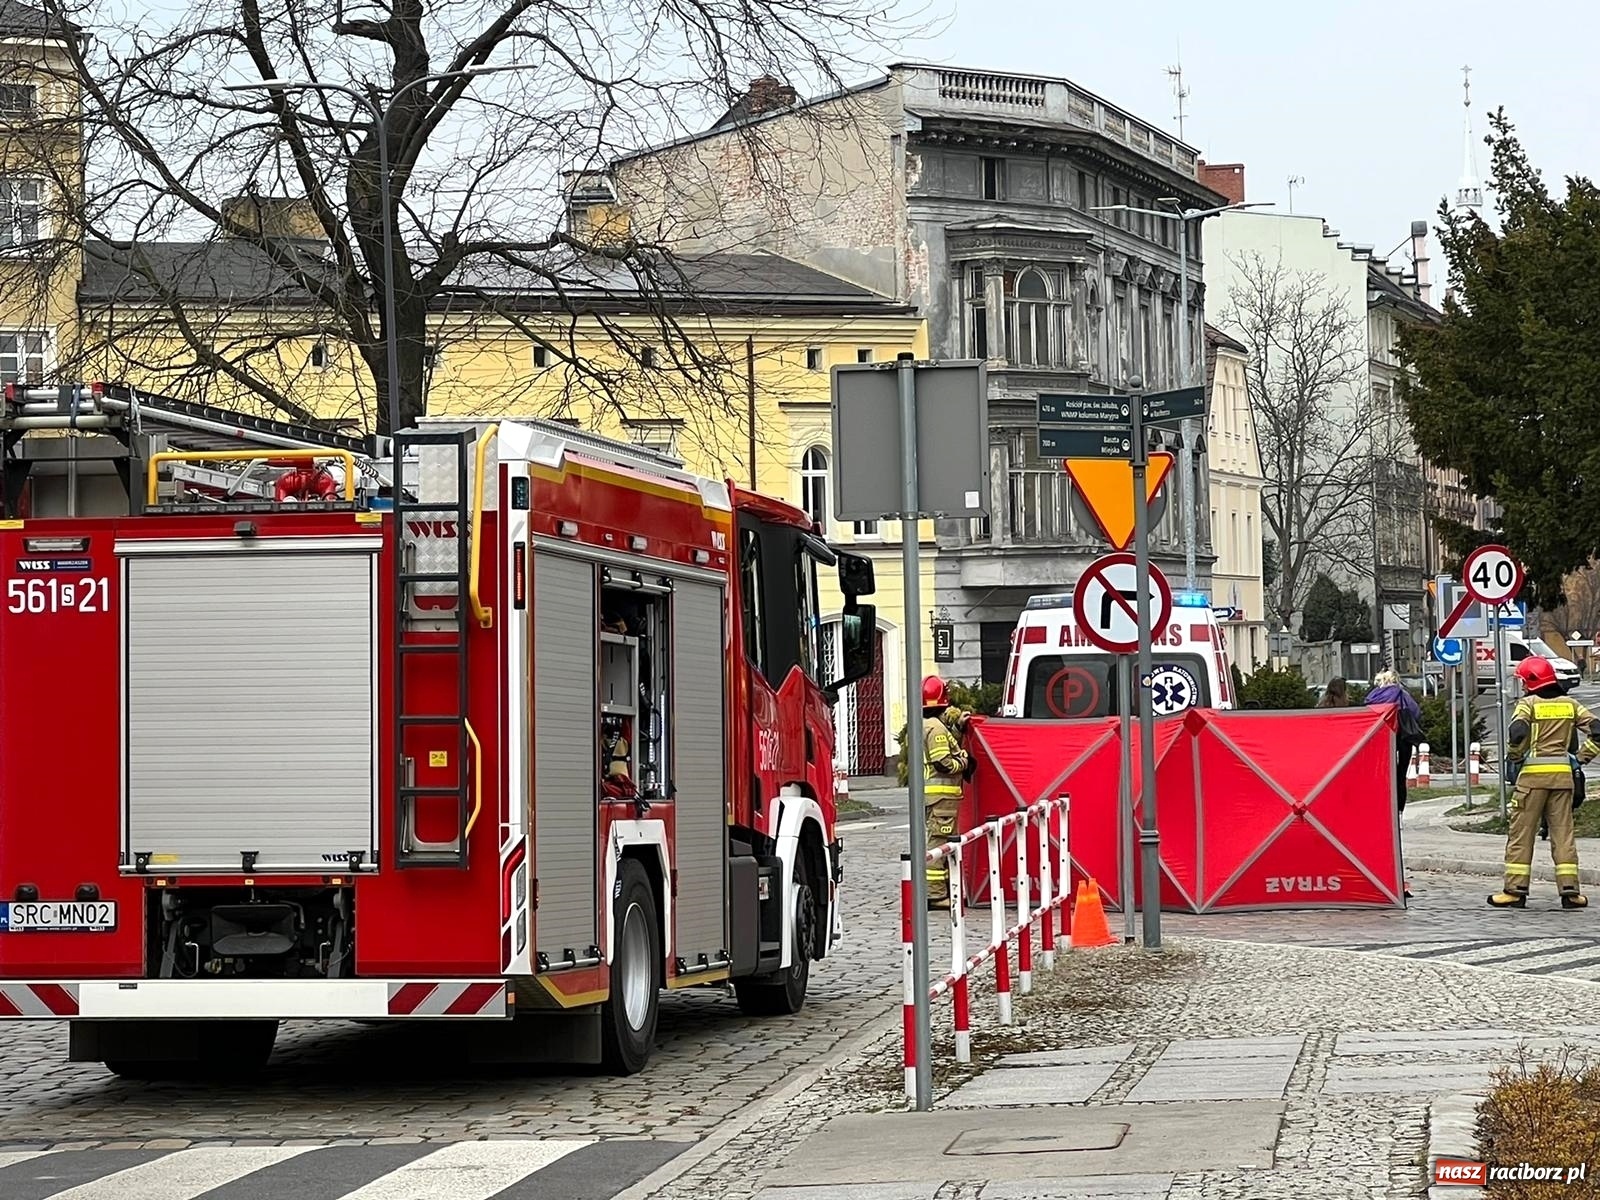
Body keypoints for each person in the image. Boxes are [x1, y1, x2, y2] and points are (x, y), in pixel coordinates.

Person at [1490, 656, 1599, 909]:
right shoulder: (1571, 705)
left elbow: (1517, 732)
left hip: (1531, 783)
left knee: (1521, 835)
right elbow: (1598, 729)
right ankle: (1571, 892)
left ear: (1530, 681)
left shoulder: (1527, 704)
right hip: (1563, 781)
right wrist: (1581, 758)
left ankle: (1514, 891)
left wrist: (1514, 756)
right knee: (1563, 835)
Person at [921, 674, 970, 911]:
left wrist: (958, 728)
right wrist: (964, 761)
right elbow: (943, 762)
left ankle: (943, 890)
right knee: (939, 844)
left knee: (942, 843)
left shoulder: (931, 725)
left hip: (937, 797)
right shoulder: (936, 728)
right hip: (942, 797)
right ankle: (935, 895)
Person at [1365, 669, 1424, 814]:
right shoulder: (1403, 694)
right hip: (1403, 738)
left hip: (1381, 739)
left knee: (1381, 775)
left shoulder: (1373, 696)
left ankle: (1381, 810)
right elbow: (1416, 713)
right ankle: (1399, 812)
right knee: (1400, 775)